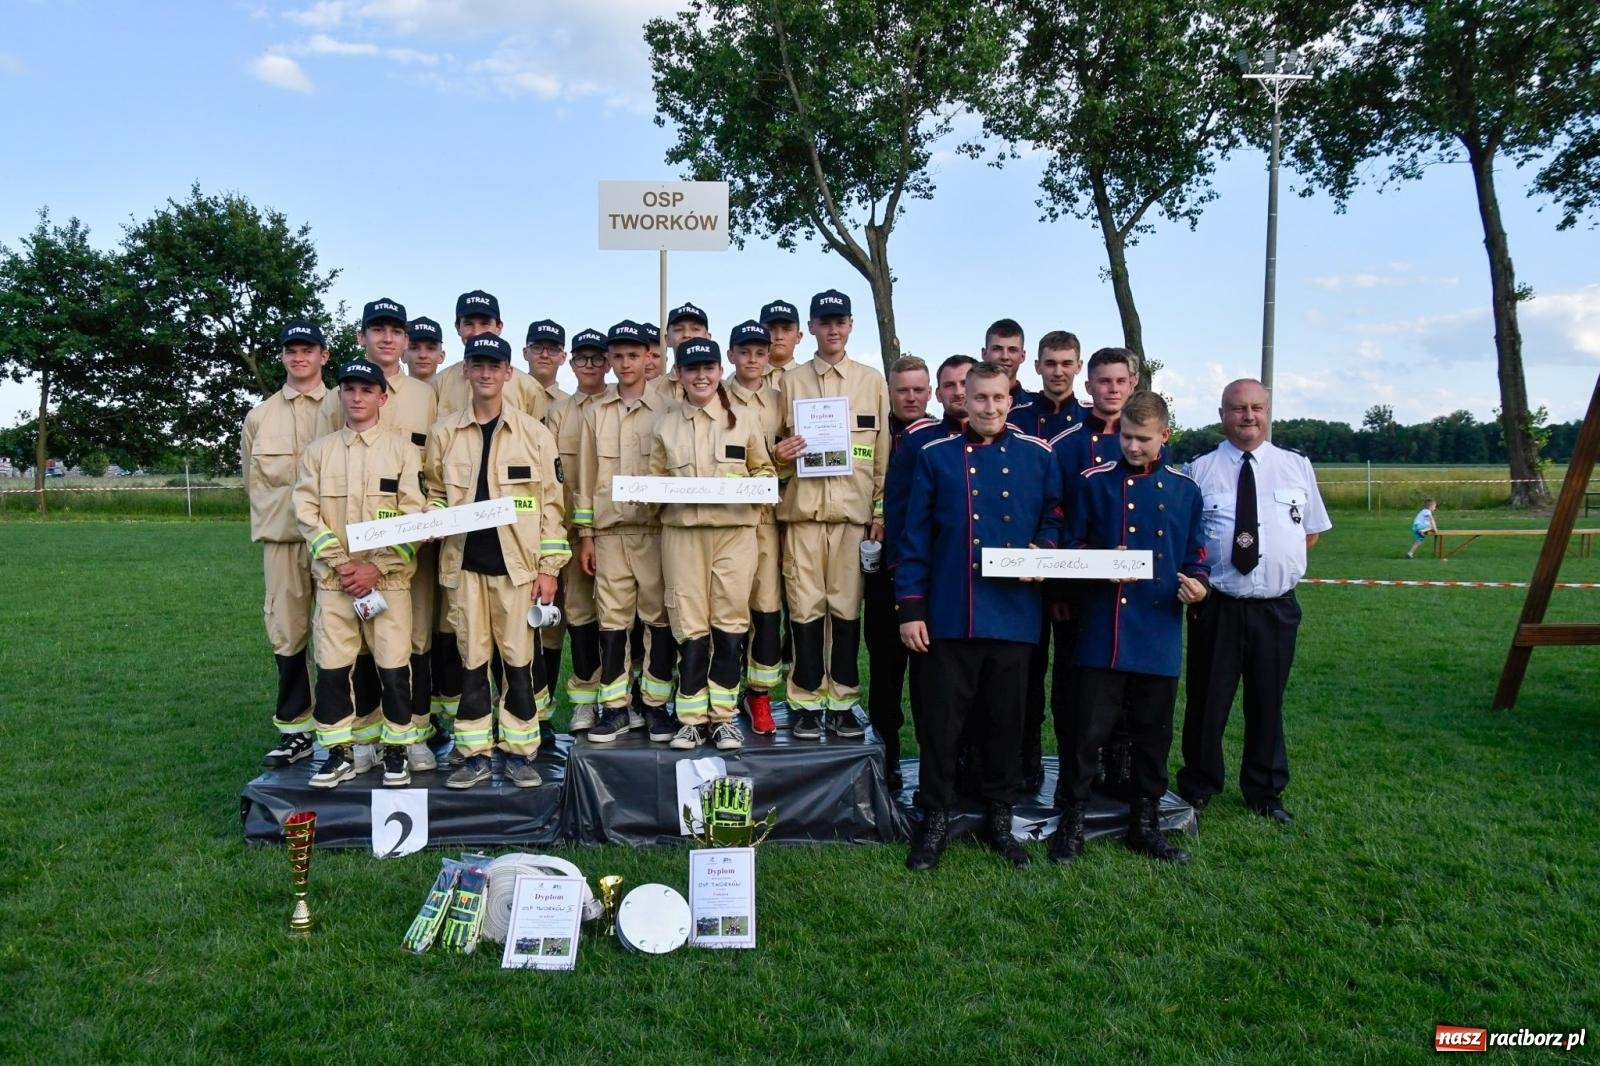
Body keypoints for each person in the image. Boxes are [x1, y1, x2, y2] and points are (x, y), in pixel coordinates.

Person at [897, 362, 1062, 870]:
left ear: (1011, 399)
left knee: (1004, 724)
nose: (990, 408)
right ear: (962, 401)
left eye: (998, 398)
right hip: (950, 612)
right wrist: (911, 609)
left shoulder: (1038, 456)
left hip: (1013, 613)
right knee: (941, 724)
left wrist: (1045, 548)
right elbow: (915, 536)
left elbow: (1056, 514)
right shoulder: (936, 456)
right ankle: (936, 819)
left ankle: (1000, 817)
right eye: (980, 399)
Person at [1047, 390, 1209, 866]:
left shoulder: (1185, 491)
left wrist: (1198, 585)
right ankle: (1071, 825)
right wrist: (1099, 564)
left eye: (1143, 439)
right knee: (1085, 734)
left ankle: (1145, 824)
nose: (1133, 447)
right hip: (1103, 630)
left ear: (1165, 437)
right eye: (1126, 437)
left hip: (1157, 629)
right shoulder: (1094, 484)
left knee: (1153, 735)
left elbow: (1196, 556)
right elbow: (1070, 545)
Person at [1176, 378, 1331, 824]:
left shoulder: (1295, 466)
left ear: (1268, 411)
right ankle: (1199, 785)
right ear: (1222, 413)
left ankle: (1265, 791)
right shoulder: (1199, 470)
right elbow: (1190, 538)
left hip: (1275, 607)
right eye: (1237, 408)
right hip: (1218, 605)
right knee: (1208, 701)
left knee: (1268, 701)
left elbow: (1310, 532)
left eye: (1256, 407)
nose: (1248, 416)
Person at [423, 333, 569, 789]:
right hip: (464, 566)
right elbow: (434, 492)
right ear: (465, 370)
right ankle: (473, 754)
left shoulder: (535, 435)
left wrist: (549, 570)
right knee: (472, 661)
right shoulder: (444, 433)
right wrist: (432, 517)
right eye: (477, 364)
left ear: (509, 373)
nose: (485, 373)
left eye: (494, 365)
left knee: (518, 661)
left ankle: (521, 752)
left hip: (518, 570)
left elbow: (551, 507)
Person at [293, 359, 425, 789]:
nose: (357, 397)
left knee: (392, 667)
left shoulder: (404, 452)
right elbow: (307, 513)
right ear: (340, 396)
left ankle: (396, 752)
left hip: (387, 581)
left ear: (382, 398)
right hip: (336, 583)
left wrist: (375, 567)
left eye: (367, 390)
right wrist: (342, 564)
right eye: (349, 389)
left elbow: (414, 517)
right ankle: (337, 753)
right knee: (333, 668)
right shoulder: (319, 452)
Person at [773, 290, 890, 740]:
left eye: (840, 321)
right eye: (824, 322)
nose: (833, 329)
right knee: (804, 611)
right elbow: (769, 447)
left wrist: (879, 509)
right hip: (802, 516)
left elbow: (881, 452)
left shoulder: (871, 381)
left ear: (851, 325)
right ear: (812, 328)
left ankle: (842, 701)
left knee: (844, 613)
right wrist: (780, 455)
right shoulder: (790, 382)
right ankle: (804, 700)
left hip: (852, 519)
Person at [650, 337, 776, 751]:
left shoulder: (744, 419)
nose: (700, 376)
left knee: (730, 622)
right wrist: (644, 492)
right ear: (680, 376)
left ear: (720, 371)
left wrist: (752, 486)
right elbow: (654, 483)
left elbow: (764, 472)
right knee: (689, 624)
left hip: (734, 534)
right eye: (691, 369)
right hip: (683, 534)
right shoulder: (665, 424)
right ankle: (690, 716)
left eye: (708, 368)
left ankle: (722, 717)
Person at [346, 298, 441, 770]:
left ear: (406, 341)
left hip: (412, 539)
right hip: (356, 542)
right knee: (361, 640)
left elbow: (439, 462)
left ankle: (415, 730)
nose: (386, 338)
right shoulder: (340, 393)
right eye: (376, 329)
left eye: (395, 331)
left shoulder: (427, 395)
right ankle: (365, 731)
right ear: (362, 336)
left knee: (414, 636)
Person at [574, 320, 676, 743]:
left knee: (658, 618)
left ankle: (654, 706)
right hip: (611, 534)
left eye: (634, 355)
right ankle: (615, 708)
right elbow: (585, 477)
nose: (625, 363)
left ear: (649, 357)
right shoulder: (595, 414)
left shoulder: (669, 409)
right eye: (617, 356)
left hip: (655, 532)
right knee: (612, 621)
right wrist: (586, 536)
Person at [245, 321, 341, 767]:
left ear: (324, 355)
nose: (299, 357)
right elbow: (253, 480)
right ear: (282, 357)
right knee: (287, 631)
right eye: (291, 350)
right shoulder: (259, 417)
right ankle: (295, 730)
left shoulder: (344, 404)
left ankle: (344, 728)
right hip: (284, 540)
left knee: (341, 632)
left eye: (308, 350)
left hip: (335, 541)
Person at [864, 355, 932, 789]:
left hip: (925, 577)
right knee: (885, 675)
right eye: (902, 389)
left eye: (918, 389)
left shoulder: (942, 436)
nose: (910, 396)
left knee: (929, 682)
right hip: (877, 568)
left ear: (930, 393)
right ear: (890, 391)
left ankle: (937, 762)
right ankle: (885, 758)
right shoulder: (873, 432)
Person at [542, 329, 611, 732]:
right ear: (572, 363)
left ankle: (621, 697)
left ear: (608, 362)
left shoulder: (625, 405)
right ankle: (579, 701)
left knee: (617, 620)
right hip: (566, 531)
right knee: (574, 619)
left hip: (615, 530)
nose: (589, 366)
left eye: (596, 358)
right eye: (582, 359)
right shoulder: (559, 413)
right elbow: (548, 478)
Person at [725, 320, 784, 735]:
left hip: (767, 521)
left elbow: (798, 452)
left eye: (760, 352)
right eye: (744, 351)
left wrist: (782, 457)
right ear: (731, 354)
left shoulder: (782, 399)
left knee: (765, 607)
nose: (752, 359)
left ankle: (759, 694)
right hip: (724, 521)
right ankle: (722, 693)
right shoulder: (712, 394)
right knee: (724, 609)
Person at [435, 290, 545, 418]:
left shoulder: (529, 388)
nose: (477, 332)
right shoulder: (440, 383)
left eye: (484, 323)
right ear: (458, 327)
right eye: (469, 324)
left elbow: (538, 436)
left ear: (499, 327)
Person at [1016, 331, 1086, 440]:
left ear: (1079, 366)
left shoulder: (1090, 417)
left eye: (1066, 364)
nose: (1058, 372)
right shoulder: (1016, 418)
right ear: (1037, 366)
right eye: (1050, 364)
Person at [981, 318, 1032, 413]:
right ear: (984, 353)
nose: (1005, 356)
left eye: (1012, 350)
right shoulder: (969, 407)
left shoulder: (1037, 407)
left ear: (1022, 356)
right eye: (997, 349)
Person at [523, 318, 569, 414]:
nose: (544, 355)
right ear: (525, 353)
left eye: (553, 349)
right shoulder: (507, 396)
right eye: (537, 347)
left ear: (563, 357)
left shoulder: (571, 406)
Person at [759, 299, 803, 389]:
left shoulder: (811, 378)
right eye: (771, 329)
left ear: (798, 336)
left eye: (786, 329)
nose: (779, 336)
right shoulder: (739, 379)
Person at [403, 317, 446, 388]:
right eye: (414, 348)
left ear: (441, 356)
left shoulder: (453, 396)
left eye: (431, 348)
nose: (423, 355)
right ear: (403, 355)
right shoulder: (387, 395)